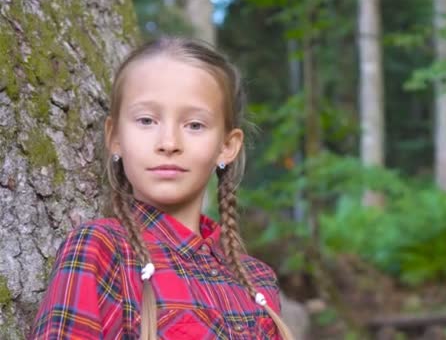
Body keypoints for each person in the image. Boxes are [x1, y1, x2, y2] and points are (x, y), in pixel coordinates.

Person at [31, 37, 294, 340]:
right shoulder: (100, 250)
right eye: (146, 120)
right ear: (115, 136)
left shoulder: (258, 280)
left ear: (227, 146)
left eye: (194, 125)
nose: (168, 143)